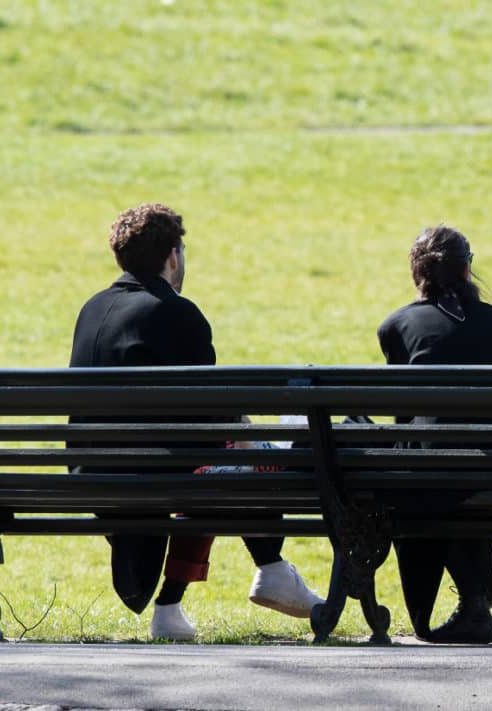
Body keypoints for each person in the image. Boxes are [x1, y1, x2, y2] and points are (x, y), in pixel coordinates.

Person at [69, 203, 323, 641]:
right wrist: (256, 442)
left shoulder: (92, 310)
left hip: (89, 473)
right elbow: (213, 413)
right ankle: (270, 570)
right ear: (172, 256)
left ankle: (217, 592)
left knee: (216, 463)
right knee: (242, 463)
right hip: (154, 475)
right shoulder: (176, 312)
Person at [378, 225, 492, 644]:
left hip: (430, 472)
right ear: (467, 269)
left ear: (416, 274)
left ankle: (468, 605)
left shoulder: (396, 326)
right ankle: (474, 602)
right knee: (467, 468)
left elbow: (404, 415)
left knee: (431, 465)